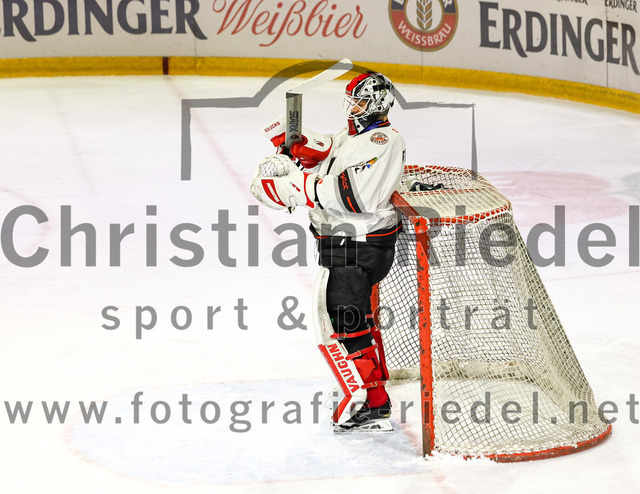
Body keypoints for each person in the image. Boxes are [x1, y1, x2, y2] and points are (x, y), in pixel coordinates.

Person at [250, 72, 406, 431]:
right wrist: (298, 145)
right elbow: (328, 151)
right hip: (347, 243)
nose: (352, 108)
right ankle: (373, 395)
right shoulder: (354, 135)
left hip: (359, 245)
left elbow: (355, 197)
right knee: (351, 319)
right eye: (351, 100)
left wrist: (294, 184)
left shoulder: (383, 140)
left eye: (360, 102)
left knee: (343, 322)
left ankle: (372, 404)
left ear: (379, 104)